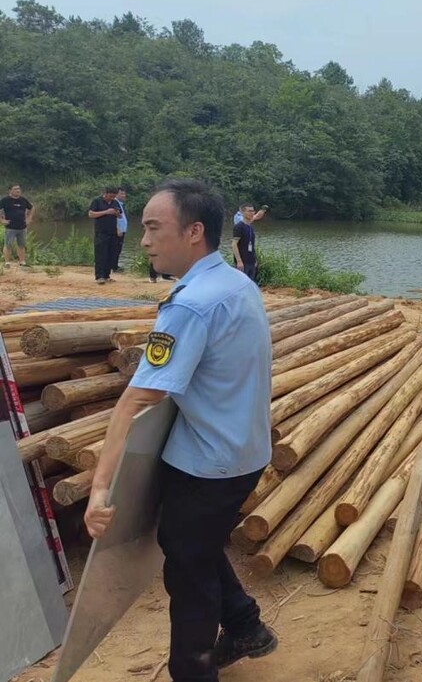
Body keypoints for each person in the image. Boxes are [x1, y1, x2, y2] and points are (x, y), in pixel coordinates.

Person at [84, 179, 277, 682]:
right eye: (142, 228)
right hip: (243, 447)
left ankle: (193, 671)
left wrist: (100, 488)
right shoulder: (237, 283)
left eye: (153, 228)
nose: (143, 240)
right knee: (189, 539)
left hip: (211, 462)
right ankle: (245, 625)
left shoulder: (190, 306)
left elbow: (136, 400)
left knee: (189, 572)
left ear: (194, 232)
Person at [88, 187, 121, 284]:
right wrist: (106, 212)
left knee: (111, 255)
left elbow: (120, 216)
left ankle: (107, 275)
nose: (112, 198)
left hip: (113, 232)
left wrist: (117, 213)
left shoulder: (115, 202)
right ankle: (99, 276)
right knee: (101, 255)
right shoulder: (97, 201)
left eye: (114, 197)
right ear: (105, 193)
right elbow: (91, 214)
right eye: (110, 196)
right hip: (101, 233)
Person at [0, 184, 33, 267]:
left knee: (21, 245)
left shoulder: (23, 200)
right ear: (10, 190)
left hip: (22, 227)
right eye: (15, 189)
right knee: (8, 245)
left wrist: (29, 218)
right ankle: (7, 263)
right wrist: (2, 220)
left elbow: (31, 208)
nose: (18, 190)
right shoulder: (5, 200)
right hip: (10, 227)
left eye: (19, 189)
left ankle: (22, 262)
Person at [231, 203, 258, 281]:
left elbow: (251, 245)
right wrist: (239, 261)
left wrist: (255, 259)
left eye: (253, 211)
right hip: (242, 262)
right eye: (249, 211)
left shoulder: (250, 227)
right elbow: (234, 244)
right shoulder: (239, 227)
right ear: (242, 212)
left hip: (251, 262)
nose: (252, 213)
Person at [111, 188, 129, 272]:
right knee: (116, 248)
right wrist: (118, 229)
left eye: (124, 194)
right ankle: (114, 267)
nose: (124, 195)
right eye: (121, 194)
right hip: (118, 231)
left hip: (121, 230)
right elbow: (116, 218)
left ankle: (115, 265)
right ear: (116, 194)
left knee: (118, 248)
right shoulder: (115, 203)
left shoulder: (119, 204)